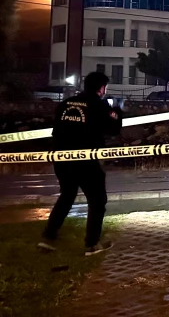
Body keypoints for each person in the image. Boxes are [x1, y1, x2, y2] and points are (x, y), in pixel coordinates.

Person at [39, 72, 122, 256]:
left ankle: (47, 238)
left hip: (62, 158)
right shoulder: (98, 105)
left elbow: (57, 131)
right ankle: (92, 244)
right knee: (97, 201)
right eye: (105, 88)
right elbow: (113, 130)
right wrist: (117, 112)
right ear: (101, 88)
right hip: (86, 160)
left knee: (67, 195)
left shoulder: (66, 104)